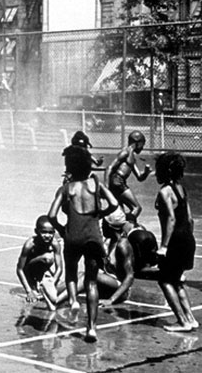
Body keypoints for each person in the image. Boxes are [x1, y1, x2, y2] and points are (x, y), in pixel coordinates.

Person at [48, 145, 119, 342]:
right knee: (92, 282)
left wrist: (62, 229)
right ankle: (91, 328)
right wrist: (99, 214)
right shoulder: (96, 185)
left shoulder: (67, 188)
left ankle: (72, 301)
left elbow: (51, 215)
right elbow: (114, 204)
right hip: (93, 236)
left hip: (73, 235)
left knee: (71, 271)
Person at [154, 151, 198, 332]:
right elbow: (189, 219)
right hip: (187, 237)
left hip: (175, 241)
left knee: (164, 281)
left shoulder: (165, 191)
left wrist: (164, 246)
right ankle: (190, 318)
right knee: (177, 280)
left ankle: (182, 322)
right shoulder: (181, 189)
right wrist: (188, 238)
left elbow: (171, 219)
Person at [96, 216, 159, 307]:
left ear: (110, 226)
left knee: (89, 275)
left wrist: (111, 300)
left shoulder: (123, 245)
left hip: (119, 284)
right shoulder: (108, 242)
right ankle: (69, 297)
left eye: (103, 225)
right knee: (82, 275)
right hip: (108, 279)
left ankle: (70, 300)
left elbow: (130, 276)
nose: (101, 227)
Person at [16, 215, 63, 311]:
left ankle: (42, 286)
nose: (47, 235)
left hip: (44, 271)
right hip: (29, 270)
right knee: (47, 257)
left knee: (55, 294)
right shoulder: (30, 244)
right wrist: (28, 291)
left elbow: (59, 269)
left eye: (51, 233)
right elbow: (19, 269)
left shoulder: (55, 244)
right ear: (36, 232)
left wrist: (53, 282)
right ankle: (34, 286)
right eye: (44, 232)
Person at [104, 130, 151, 222]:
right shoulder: (125, 152)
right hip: (118, 181)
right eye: (142, 144)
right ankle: (128, 227)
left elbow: (139, 177)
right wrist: (106, 186)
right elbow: (109, 168)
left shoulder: (131, 156)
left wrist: (146, 172)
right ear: (137, 143)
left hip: (118, 182)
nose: (142, 148)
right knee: (137, 208)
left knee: (119, 210)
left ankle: (118, 227)